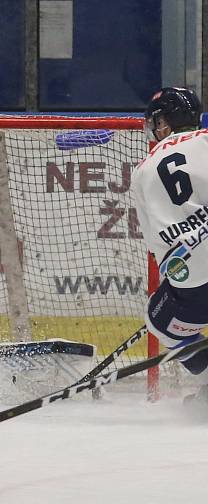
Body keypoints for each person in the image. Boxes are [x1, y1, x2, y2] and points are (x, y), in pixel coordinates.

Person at [131, 86, 208, 404]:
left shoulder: (142, 171)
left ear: (163, 123)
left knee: (160, 321)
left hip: (194, 281)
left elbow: (156, 246)